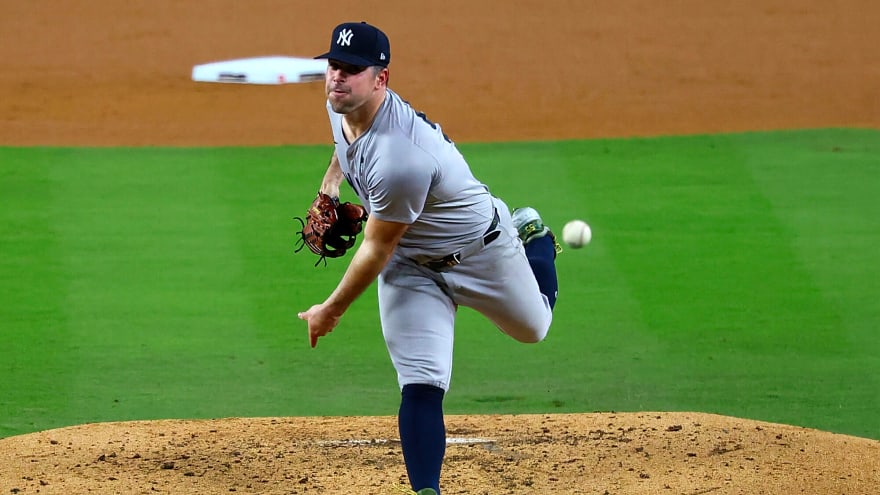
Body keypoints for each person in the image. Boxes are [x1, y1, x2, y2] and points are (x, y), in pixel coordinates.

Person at [297, 21, 562, 495]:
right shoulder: (341, 103)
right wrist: (330, 185)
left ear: (381, 78)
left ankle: (534, 237)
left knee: (534, 328)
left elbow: (376, 248)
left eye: (352, 69)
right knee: (421, 380)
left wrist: (330, 310)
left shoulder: (401, 158)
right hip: (412, 267)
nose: (337, 77)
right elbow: (343, 144)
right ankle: (426, 490)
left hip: (482, 254)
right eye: (334, 65)